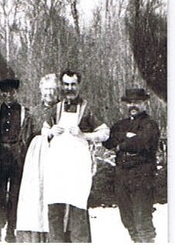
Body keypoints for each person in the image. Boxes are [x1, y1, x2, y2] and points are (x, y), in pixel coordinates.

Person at [43, 70, 109, 242]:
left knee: (78, 208)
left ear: (79, 85)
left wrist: (84, 135)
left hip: (78, 167)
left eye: (73, 84)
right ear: (61, 86)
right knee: (54, 209)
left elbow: (105, 132)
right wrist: (50, 131)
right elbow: (43, 130)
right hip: (57, 167)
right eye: (65, 84)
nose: (69, 88)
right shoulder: (55, 109)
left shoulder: (87, 109)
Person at [103, 88, 160, 243]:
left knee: (143, 220)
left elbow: (141, 143)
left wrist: (121, 144)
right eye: (129, 103)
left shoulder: (150, 124)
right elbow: (108, 141)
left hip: (142, 176)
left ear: (145, 103)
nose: (133, 106)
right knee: (127, 219)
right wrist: (125, 137)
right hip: (122, 176)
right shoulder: (121, 125)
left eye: (137, 102)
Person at [15, 73, 60, 242]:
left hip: (58, 158)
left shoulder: (63, 109)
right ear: (41, 90)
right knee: (35, 196)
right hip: (37, 159)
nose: (49, 93)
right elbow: (24, 139)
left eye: (52, 89)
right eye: (46, 89)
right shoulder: (33, 112)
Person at [0, 78, 29, 243]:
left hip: (17, 156)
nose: (8, 95)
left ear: (16, 93)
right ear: (1, 94)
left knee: (15, 194)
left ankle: (11, 230)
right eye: (5, 92)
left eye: (12, 92)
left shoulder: (25, 112)